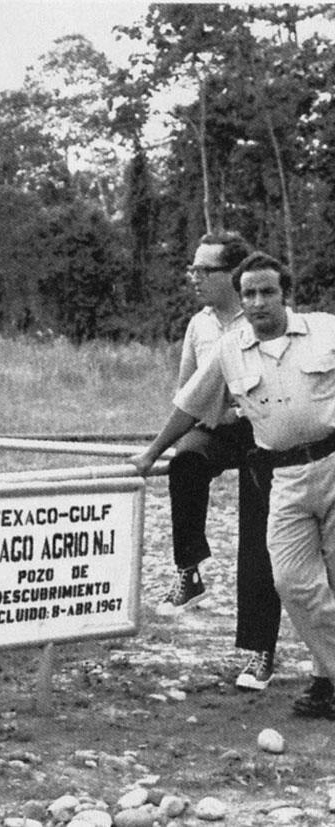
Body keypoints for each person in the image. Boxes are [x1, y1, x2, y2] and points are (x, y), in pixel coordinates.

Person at [131, 252, 335, 719]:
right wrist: (151, 453)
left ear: (285, 294)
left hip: (332, 463)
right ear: (241, 300)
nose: (259, 302)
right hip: (283, 477)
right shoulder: (229, 349)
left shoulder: (326, 330)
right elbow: (189, 404)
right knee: (290, 580)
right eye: (250, 294)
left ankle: (326, 682)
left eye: (268, 292)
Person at [159, 232, 281, 692]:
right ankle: (188, 570)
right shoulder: (199, 325)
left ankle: (258, 651)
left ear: (230, 276)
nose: (194, 278)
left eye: (203, 270)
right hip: (214, 429)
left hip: (261, 433)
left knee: (258, 538)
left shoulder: (262, 319)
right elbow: (187, 393)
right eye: (192, 269)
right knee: (184, 460)